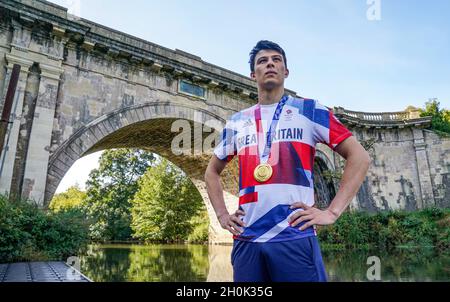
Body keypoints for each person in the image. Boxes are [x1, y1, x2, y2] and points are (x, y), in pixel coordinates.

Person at [204, 40, 371, 282]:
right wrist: (221, 215)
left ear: (286, 71)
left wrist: (332, 212)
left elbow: (360, 157)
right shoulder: (237, 122)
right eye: (262, 61)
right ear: (253, 74)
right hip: (246, 239)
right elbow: (211, 172)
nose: (270, 63)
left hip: (294, 235)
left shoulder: (310, 110)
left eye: (276, 59)